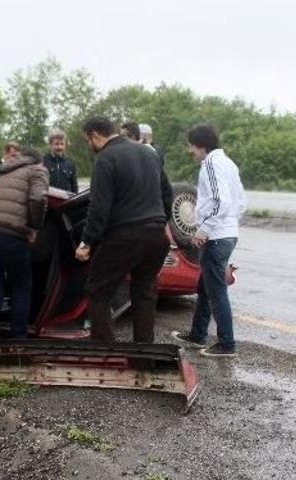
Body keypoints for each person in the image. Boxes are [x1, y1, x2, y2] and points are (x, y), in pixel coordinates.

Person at [75, 117, 172, 343]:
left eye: (88, 140)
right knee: (144, 294)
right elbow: (167, 195)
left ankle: (107, 354)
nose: (89, 145)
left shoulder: (105, 159)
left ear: (96, 135)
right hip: (157, 235)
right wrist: (158, 223)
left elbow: (99, 208)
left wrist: (87, 242)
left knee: (97, 291)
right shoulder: (150, 154)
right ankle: (143, 356)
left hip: (125, 235)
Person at [171, 124, 246, 357]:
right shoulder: (229, 164)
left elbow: (219, 202)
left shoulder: (211, 165)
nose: (190, 150)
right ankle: (197, 334)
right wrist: (229, 224)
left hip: (215, 237)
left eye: (191, 146)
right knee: (204, 287)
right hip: (226, 233)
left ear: (201, 145)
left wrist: (204, 230)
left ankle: (226, 344)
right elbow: (240, 201)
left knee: (216, 292)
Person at [0, 147, 49, 340]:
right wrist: (35, 227)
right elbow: (38, 198)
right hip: (10, 234)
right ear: (39, 161)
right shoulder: (38, 170)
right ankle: (18, 343)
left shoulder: (2, 173)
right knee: (21, 288)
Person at [43, 129, 78, 193]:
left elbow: (74, 185)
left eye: (62, 144)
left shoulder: (70, 162)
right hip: (49, 200)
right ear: (50, 145)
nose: (60, 147)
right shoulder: (43, 161)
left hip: (67, 200)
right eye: (56, 144)